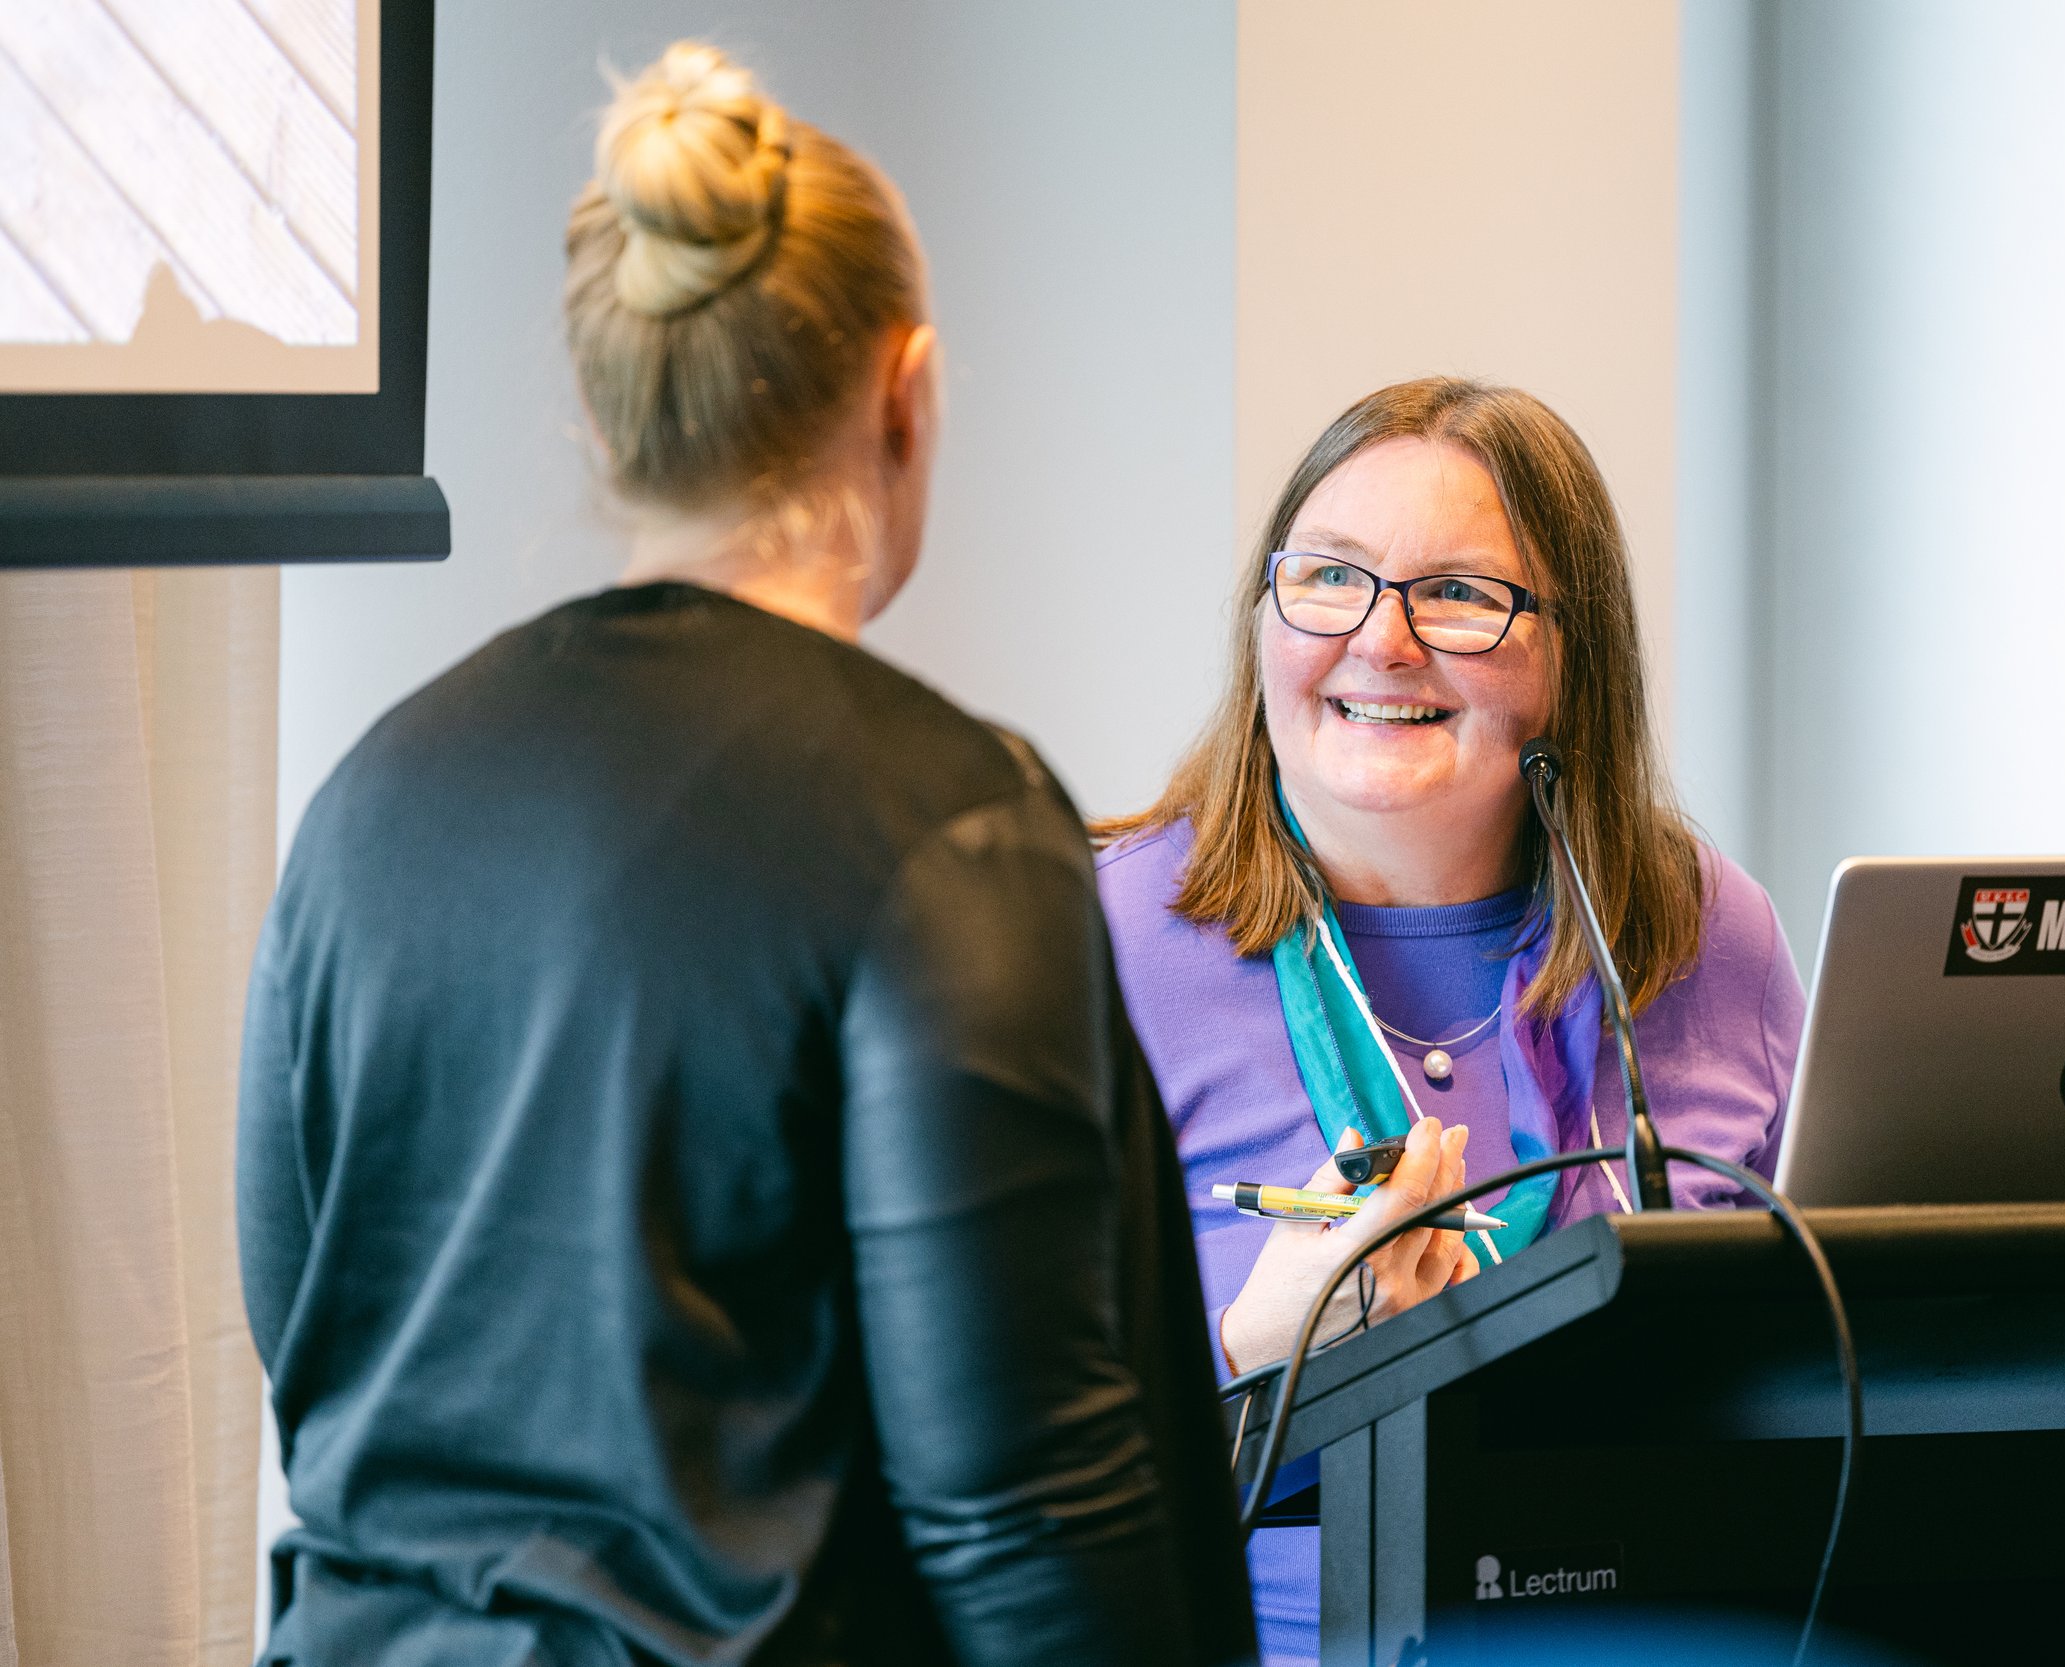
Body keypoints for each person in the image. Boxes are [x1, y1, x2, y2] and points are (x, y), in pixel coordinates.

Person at [237, 43, 1253, 1667]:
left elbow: (315, 1345)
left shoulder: (372, 800)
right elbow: (1027, 1516)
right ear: (904, 394)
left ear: (602, 411)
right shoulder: (949, 822)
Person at [1095, 377, 1806, 1664]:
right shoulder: (1099, 943)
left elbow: (1810, 1375)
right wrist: (1255, 1354)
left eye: (1460, 596)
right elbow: (978, 1477)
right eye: (1329, 577)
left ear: (1571, 655)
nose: (1380, 640)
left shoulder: (1711, 933)